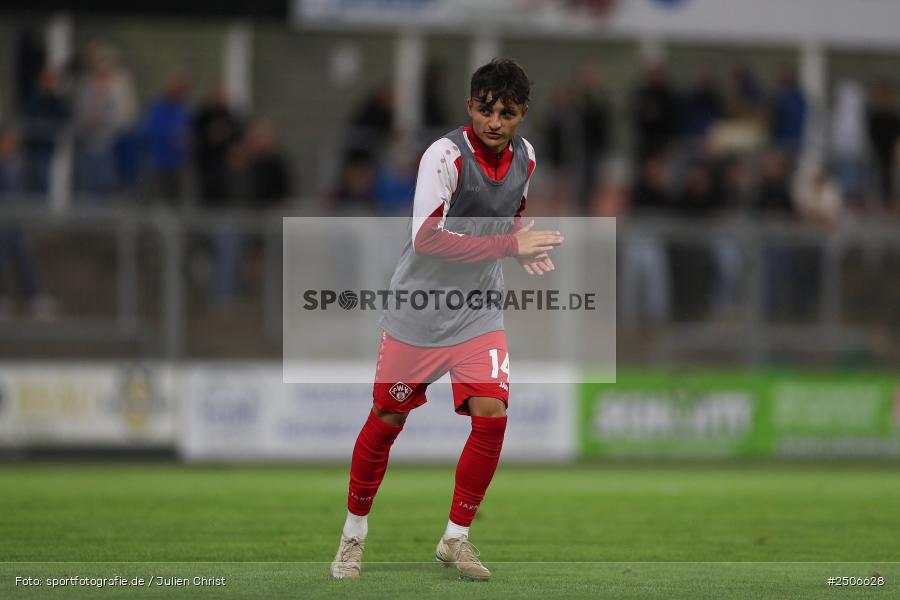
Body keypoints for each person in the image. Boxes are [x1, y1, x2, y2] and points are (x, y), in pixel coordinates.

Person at [330, 59, 563, 582]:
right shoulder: (443, 155)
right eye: (485, 110)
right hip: (418, 311)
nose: (494, 122)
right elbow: (427, 239)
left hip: (478, 310)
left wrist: (519, 248)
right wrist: (510, 244)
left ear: (523, 114)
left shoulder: (526, 157)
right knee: (387, 420)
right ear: (469, 107)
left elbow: (510, 220)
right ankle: (353, 535)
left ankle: (456, 538)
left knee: (493, 412)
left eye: (506, 112)